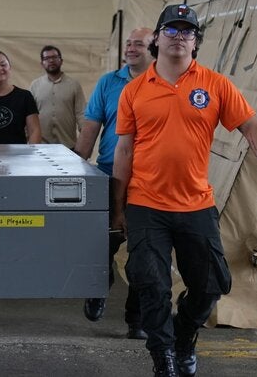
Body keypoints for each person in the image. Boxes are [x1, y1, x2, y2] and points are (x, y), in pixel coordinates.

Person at [112, 4, 257, 377]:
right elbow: (124, 150)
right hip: (146, 202)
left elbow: (252, 127)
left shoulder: (215, 84)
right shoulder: (135, 91)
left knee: (210, 286)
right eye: (170, 30)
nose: (178, 37)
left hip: (196, 203)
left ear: (196, 42)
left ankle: (184, 335)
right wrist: (118, 207)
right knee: (151, 285)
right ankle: (164, 360)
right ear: (157, 39)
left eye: (186, 32)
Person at [73, 27, 154, 340]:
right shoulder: (109, 83)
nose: (131, 49)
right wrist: (76, 164)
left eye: (139, 44)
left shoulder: (165, 82)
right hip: (109, 173)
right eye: (129, 44)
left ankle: (137, 320)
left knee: (144, 254)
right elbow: (90, 128)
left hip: (149, 181)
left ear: (154, 48)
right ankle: (98, 286)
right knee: (101, 245)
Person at [29, 45, 85, 148]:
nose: (51, 61)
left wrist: (85, 142)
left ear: (61, 61)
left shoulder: (74, 85)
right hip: (41, 147)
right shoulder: (35, 86)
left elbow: (81, 114)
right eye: (47, 58)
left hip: (68, 147)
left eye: (54, 57)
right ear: (42, 63)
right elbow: (29, 117)